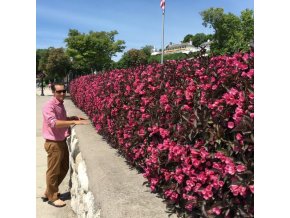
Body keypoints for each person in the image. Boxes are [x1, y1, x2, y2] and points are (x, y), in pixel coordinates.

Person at [41, 82, 90, 207]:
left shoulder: (60, 104)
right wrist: (73, 122)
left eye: (63, 91)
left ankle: (49, 191)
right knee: (53, 171)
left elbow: (60, 119)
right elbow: (54, 123)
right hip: (53, 143)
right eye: (59, 91)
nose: (62, 93)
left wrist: (71, 118)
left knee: (64, 168)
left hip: (61, 141)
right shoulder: (49, 105)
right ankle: (52, 197)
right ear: (53, 92)